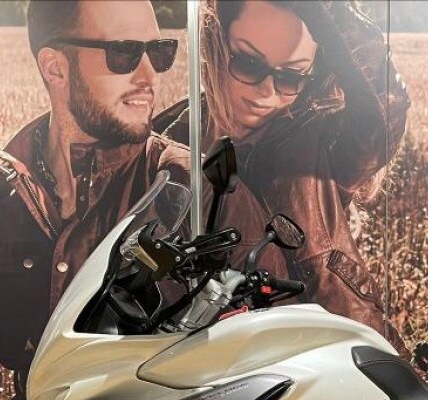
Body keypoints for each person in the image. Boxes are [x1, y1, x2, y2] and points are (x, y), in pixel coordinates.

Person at [0, 0, 278, 400]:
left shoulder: (199, 193)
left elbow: (272, 373)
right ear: (54, 67)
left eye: (159, 52)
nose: (148, 76)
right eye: (123, 53)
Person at [157, 0, 410, 351]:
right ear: (215, 44)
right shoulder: (171, 138)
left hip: (327, 358)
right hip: (198, 360)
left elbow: (386, 110)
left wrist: (324, 6)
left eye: (291, 76)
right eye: (248, 63)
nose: (267, 91)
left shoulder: (323, 143)